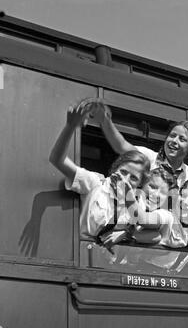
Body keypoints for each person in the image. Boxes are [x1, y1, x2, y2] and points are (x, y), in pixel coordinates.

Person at [49, 100, 150, 239]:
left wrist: (126, 234)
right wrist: (70, 127)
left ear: (140, 183)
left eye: (133, 178)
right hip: (87, 254)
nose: (125, 179)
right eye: (123, 172)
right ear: (115, 168)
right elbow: (57, 159)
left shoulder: (139, 203)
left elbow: (143, 233)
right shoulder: (96, 183)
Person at [95, 100, 188, 188]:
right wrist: (105, 121)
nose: (174, 141)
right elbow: (122, 146)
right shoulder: (149, 158)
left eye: (181, 139)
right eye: (172, 135)